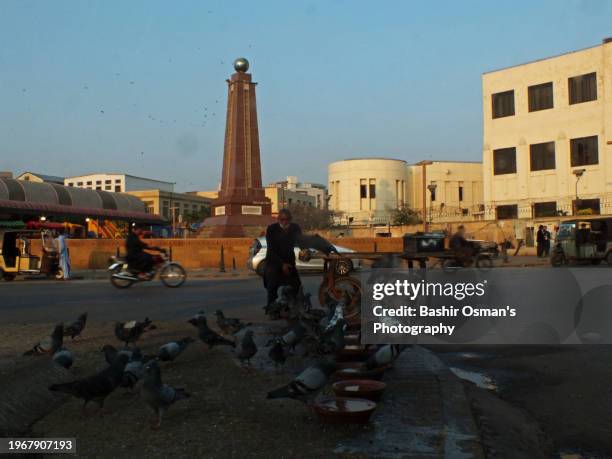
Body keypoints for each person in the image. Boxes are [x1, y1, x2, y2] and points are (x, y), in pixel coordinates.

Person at [263, 209, 303, 307]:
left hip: (289, 260)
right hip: (274, 262)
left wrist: (304, 250)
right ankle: (271, 309)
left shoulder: (295, 228)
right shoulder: (272, 229)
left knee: (297, 285)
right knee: (272, 286)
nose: (285, 222)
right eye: (282, 219)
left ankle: (295, 306)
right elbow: (271, 249)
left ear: (290, 219)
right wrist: (282, 264)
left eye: (287, 219)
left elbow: (301, 241)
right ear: (278, 219)